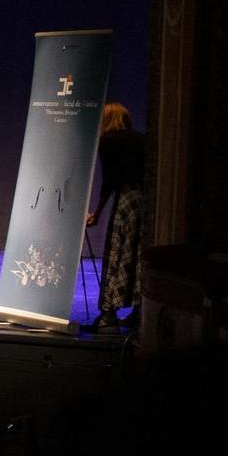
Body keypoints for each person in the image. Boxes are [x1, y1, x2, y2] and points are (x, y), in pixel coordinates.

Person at [87, 100, 145, 331]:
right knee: (138, 254)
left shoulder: (109, 142)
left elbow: (110, 181)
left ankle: (108, 313)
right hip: (146, 201)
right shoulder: (141, 139)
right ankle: (139, 312)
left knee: (118, 252)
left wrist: (98, 213)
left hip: (127, 201)